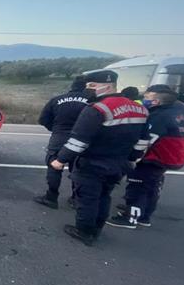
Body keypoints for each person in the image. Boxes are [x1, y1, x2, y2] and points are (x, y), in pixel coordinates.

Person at [51, 70, 149, 246]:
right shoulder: (140, 109)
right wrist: (134, 157)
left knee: (87, 198)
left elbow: (78, 140)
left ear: (108, 85)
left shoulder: (97, 109)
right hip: (120, 162)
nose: (89, 90)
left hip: (93, 162)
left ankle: (84, 231)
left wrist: (61, 160)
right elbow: (143, 140)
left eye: (92, 86)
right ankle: (97, 228)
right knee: (105, 195)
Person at [107, 84, 184, 229]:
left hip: (155, 157)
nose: (144, 99)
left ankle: (130, 217)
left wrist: (134, 156)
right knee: (151, 186)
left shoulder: (159, 116)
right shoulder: (180, 111)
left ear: (156, 101)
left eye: (147, 97)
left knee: (137, 185)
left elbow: (147, 140)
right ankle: (144, 215)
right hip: (172, 157)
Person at [34, 75, 91, 209]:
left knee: (54, 167)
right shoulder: (92, 101)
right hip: (82, 140)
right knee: (79, 170)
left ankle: (51, 197)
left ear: (72, 86)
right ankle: (76, 199)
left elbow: (43, 119)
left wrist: (55, 129)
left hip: (59, 138)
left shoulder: (57, 100)